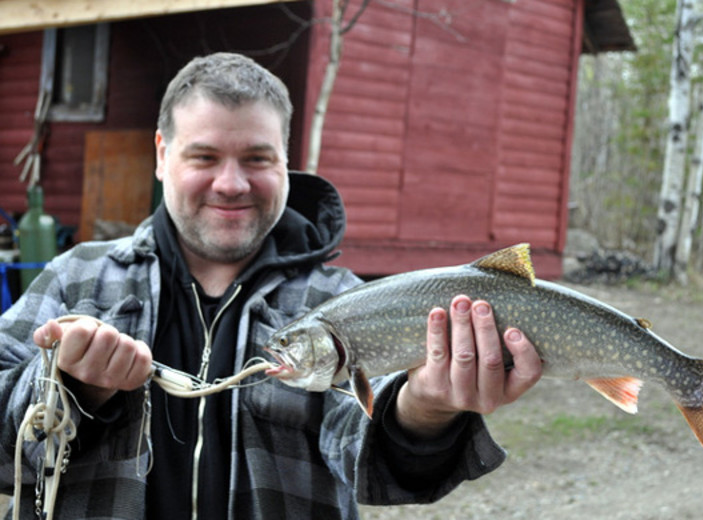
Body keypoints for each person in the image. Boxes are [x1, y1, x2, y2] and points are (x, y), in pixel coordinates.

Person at [0, 52, 541, 520]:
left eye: (257, 158)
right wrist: (68, 388)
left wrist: (426, 409)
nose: (231, 184)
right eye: (204, 157)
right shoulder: (76, 279)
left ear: (287, 161)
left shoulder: (343, 304)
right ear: (162, 155)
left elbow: (376, 468)